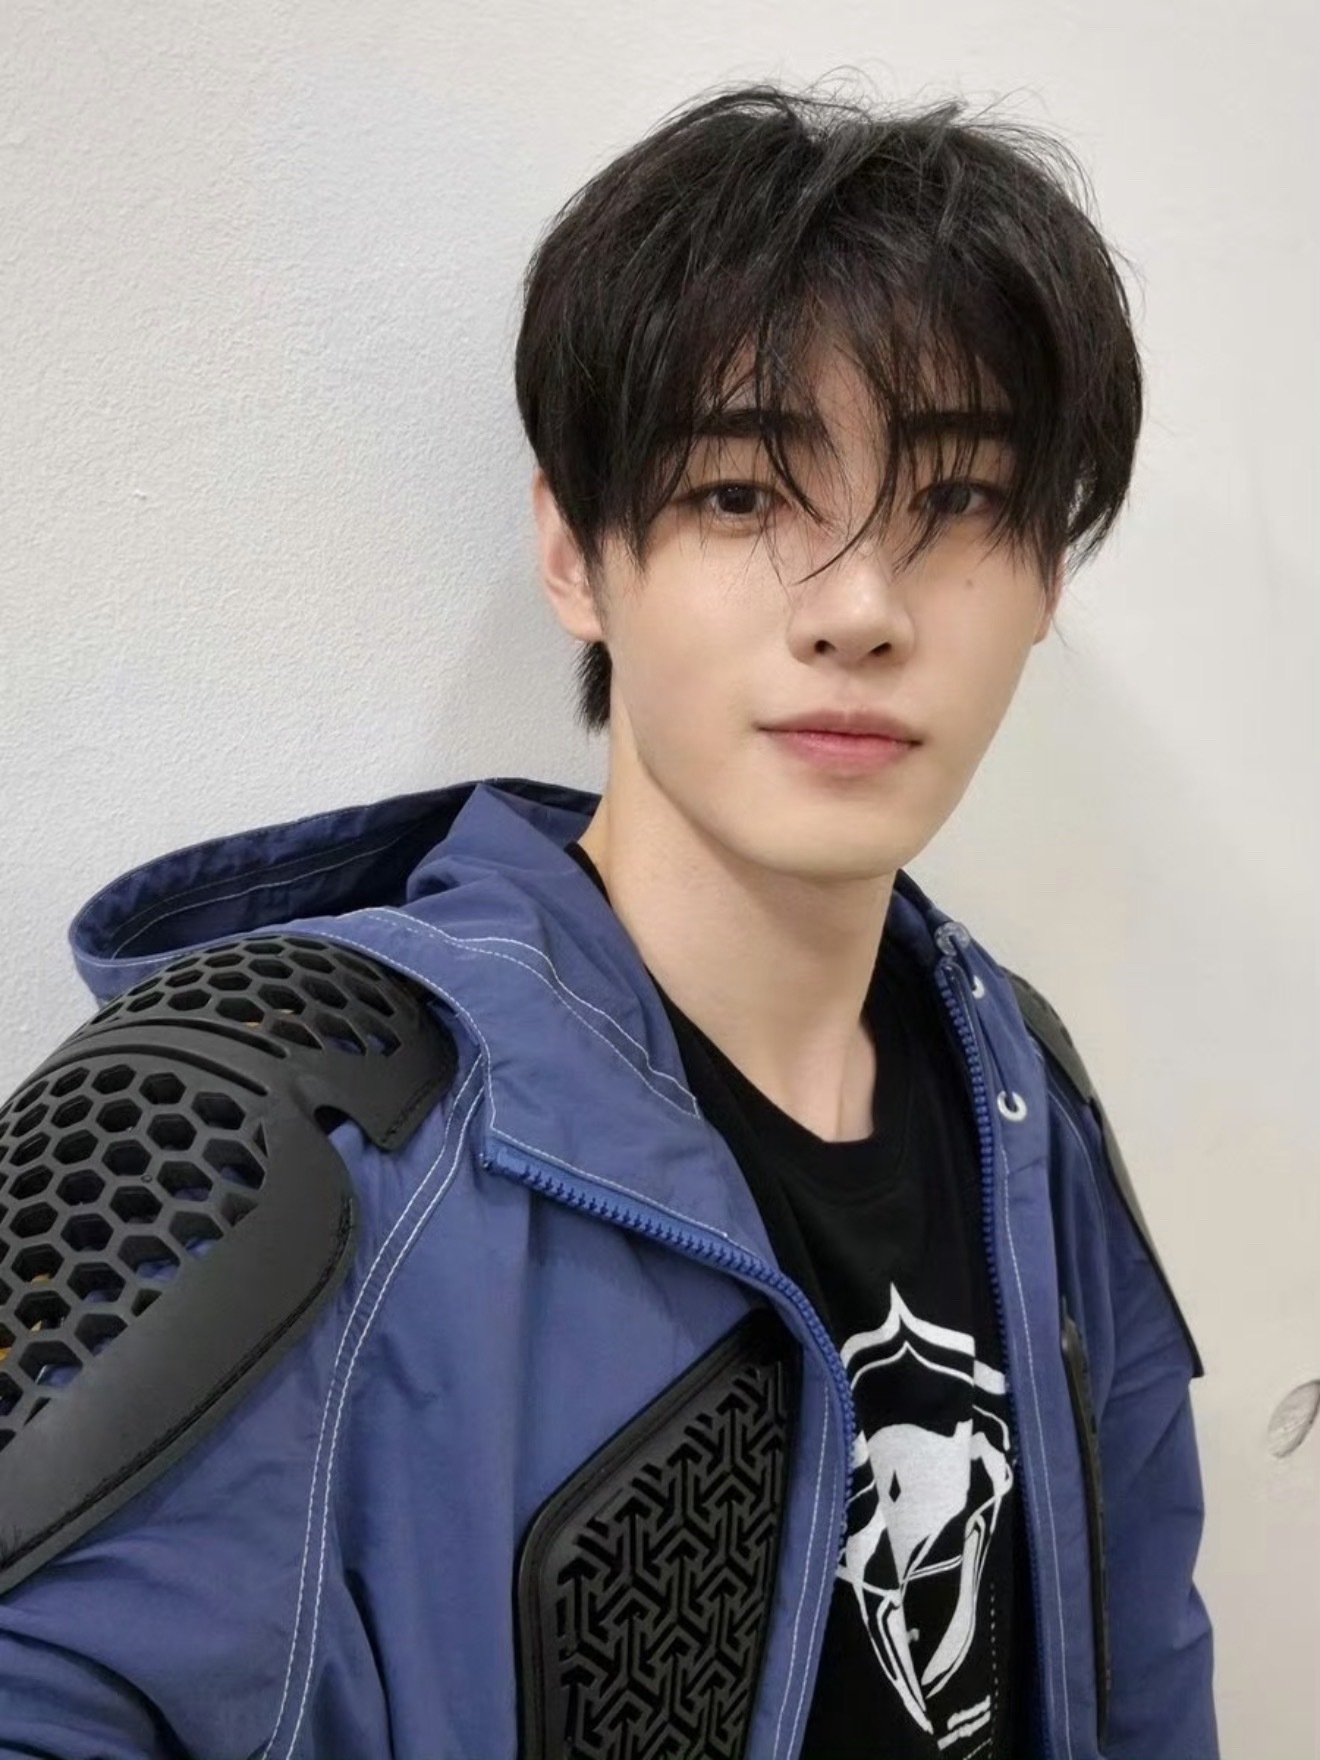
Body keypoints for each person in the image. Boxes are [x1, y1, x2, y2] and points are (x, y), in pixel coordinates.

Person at [0, 80, 1216, 1760]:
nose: (861, 607)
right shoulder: (273, 1127)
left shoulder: (1028, 1099)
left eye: (958, 502)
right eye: (742, 496)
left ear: (1049, 577)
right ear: (575, 553)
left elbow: (1142, 1674)